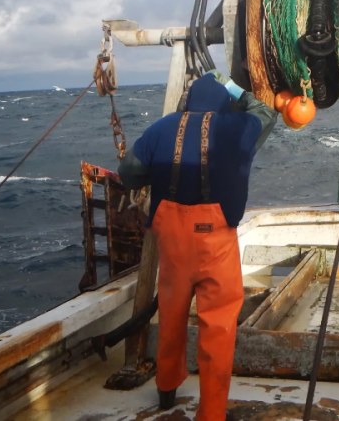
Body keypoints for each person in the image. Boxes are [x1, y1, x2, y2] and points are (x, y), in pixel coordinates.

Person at [118, 70, 276, 421]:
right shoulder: (237, 128)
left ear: (188, 102)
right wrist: (235, 86)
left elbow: (128, 172)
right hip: (215, 242)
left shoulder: (162, 127)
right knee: (218, 327)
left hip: (172, 243)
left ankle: (166, 390)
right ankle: (212, 413)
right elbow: (266, 111)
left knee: (171, 315)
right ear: (225, 103)